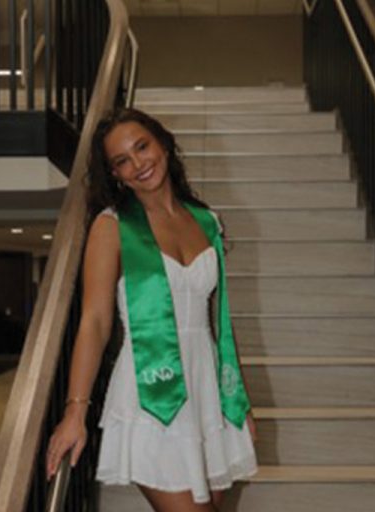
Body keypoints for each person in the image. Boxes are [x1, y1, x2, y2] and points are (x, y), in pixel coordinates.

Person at [45, 108, 258, 512]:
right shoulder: (112, 227)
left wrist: (237, 400)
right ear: (115, 175)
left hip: (207, 388)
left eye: (142, 147)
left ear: (163, 143)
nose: (138, 163)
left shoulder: (207, 222)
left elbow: (218, 323)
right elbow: (95, 321)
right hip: (149, 390)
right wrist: (76, 411)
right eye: (122, 161)